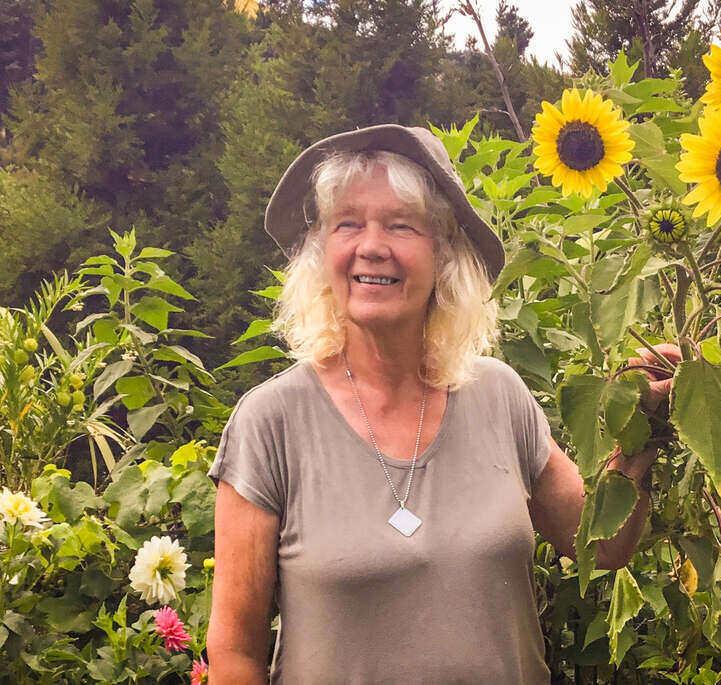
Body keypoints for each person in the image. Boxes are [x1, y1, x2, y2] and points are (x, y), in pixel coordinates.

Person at [206, 124, 681, 684]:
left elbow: (601, 546)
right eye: (348, 224)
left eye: (401, 225)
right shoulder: (271, 423)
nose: (371, 245)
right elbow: (236, 651)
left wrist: (640, 429)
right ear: (322, 252)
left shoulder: (499, 396)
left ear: (445, 255)